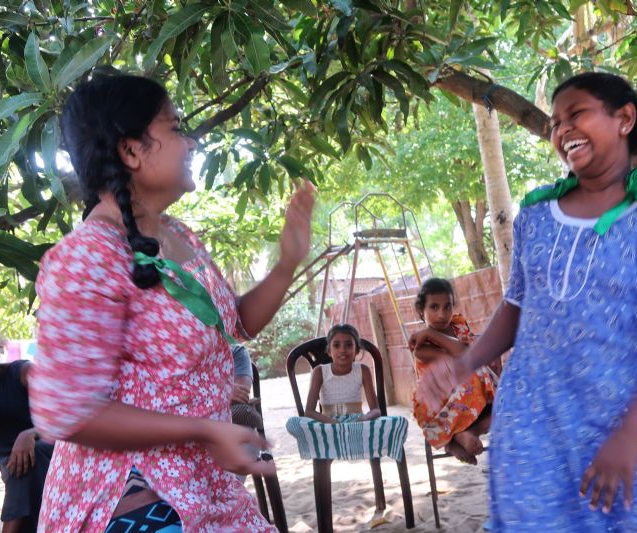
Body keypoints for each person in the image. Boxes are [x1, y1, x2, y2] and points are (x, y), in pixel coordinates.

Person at [415, 72, 637, 530]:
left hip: (636, 419)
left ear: (624, 119)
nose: (562, 130)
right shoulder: (535, 216)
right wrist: (464, 364)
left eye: (576, 114)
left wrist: (631, 433)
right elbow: (518, 306)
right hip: (539, 423)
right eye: (555, 123)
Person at [29, 74, 315, 531]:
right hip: (130, 500)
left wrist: (286, 263)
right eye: (176, 127)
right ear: (131, 151)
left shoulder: (178, 234)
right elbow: (66, 411)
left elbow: (236, 325)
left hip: (207, 486)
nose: (192, 142)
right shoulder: (86, 257)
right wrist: (202, 429)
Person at [285, 324, 408, 462]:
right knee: (293, 423)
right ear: (329, 351)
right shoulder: (320, 371)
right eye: (336, 345)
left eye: (349, 345)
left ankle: (350, 443)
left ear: (357, 350)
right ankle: (338, 445)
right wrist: (332, 423)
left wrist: (364, 419)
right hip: (329, 426)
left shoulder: (363, 370)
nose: (342, 350)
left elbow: (376, 410)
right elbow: (309, 412)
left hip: (357, 424)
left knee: (400, 421)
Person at [409, 278, 495, 465]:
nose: (442, 314)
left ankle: (467, 434)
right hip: (441, 405)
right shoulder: (421, 347)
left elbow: (467, 353)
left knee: (505, 401)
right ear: (421, 311)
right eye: (434, 307)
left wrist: (430, 332)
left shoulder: (458, 325)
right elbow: (463, 356)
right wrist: (430, 334)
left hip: (474, 400)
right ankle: (451, 442)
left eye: (447, 307)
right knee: (474, 372)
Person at [0, 325, 53, 533]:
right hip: (9, 467)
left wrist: (31, 433)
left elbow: (63, 412)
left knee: (31, 458)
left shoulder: (23, 372)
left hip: (48, 448)